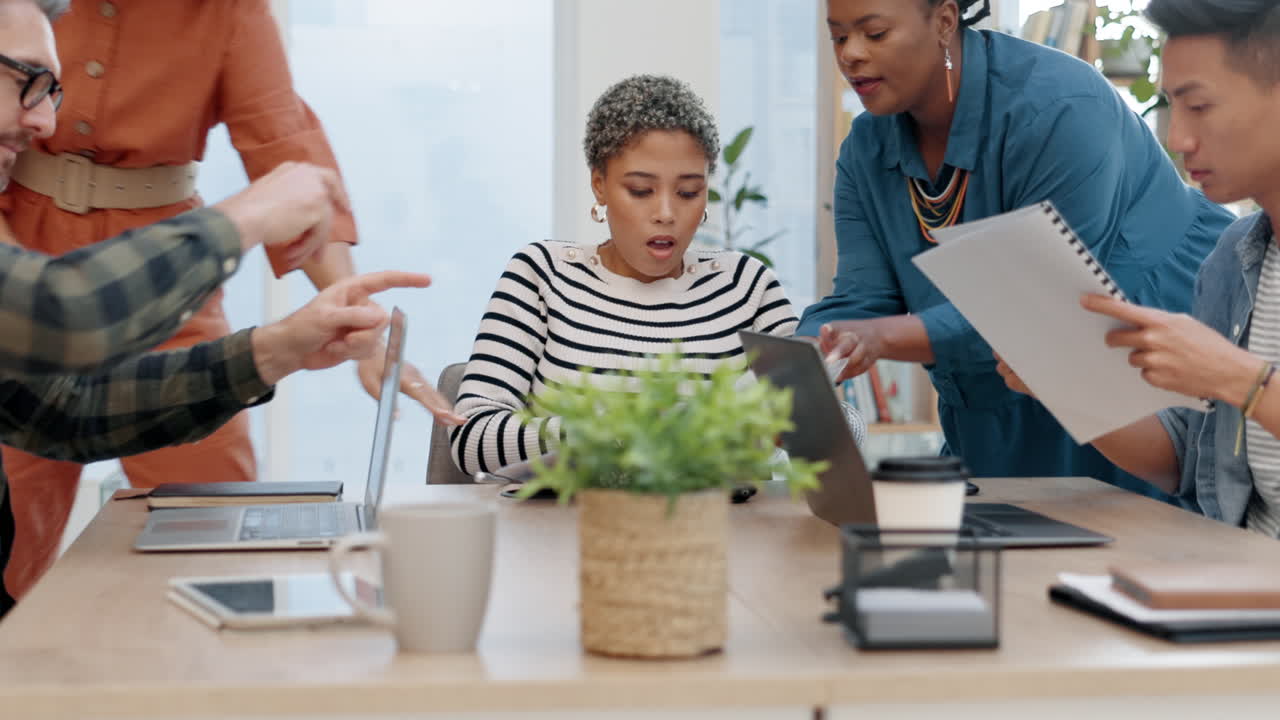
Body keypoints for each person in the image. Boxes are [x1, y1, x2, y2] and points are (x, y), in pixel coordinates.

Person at [0, 0, 462, 599]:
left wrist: (348, 324)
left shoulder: (230, 11)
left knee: (221, 521)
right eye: (29, 86)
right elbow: (62, 317)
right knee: (16, 523)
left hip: (169, 277)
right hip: (22, 251)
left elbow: (283, 140)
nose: (42, 117)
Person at [801, 0, 1236, 501]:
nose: (851, 54)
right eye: (838, 37)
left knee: (1134, 556)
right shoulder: (865, 150)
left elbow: (1046, 301)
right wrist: (809, 356)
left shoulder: (1062, 106)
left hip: (1136, 380)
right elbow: (862, 296)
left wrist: (880, 337)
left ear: (944, 21)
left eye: (874, 34)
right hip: (998, 400)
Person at [450, 75, 866, 475]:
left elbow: (845, 436)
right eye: (640, 191)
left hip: (716, 533)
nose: (666, 213)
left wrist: (805, 424)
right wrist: (620, 433)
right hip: (565, 531)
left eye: (688, 192)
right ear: (600, 185)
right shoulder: (542, 275)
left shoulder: (747, 286)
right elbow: (470, 437)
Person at [998, 0, 1280, 536]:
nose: (1177, 139)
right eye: (1173, 106)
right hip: (1241, 587)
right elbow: (1182, 463)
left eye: (1198, 106)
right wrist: (1064, 383)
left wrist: (1239, 379)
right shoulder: (1233, 259)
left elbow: (1243, 385)